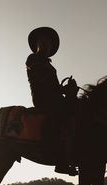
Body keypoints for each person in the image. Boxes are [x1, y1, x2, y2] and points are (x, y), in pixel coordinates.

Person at [26, 27, 78, 176]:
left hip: (53, 97)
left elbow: (53, 86)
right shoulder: (33, 59)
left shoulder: (47, 64)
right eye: (43, 40)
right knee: (62, 113)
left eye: (49, 42)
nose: (46, 43)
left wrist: (67, 90)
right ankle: (61, 161)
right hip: (43, 99)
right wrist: (64, 91)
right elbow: (45, 83)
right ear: (37, 43)